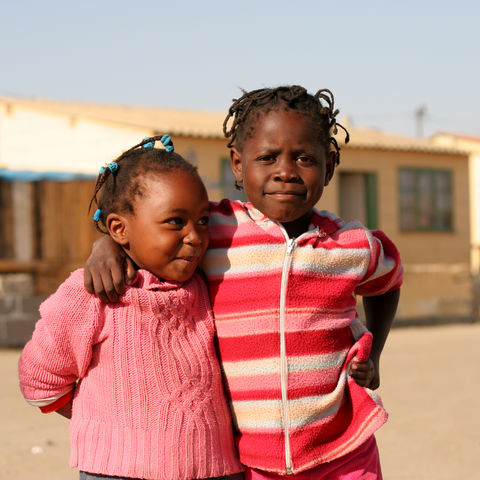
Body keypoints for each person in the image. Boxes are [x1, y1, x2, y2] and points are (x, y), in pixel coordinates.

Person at [84, 86, 403, 479]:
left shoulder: (353, 245)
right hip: (253, 462)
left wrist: (375, 352)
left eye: (304, 158)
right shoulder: (214, 229)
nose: (285, 170)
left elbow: (388, 282)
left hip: (344, 451)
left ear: (330, 165)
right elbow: (152, 230)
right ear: (237, 164)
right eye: (267, 158)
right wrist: (108, 246)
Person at [18, 136, 244, 480]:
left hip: (216, 470)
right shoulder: (94, 293)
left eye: (202, 221)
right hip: (119, 473)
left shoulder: (206, 281)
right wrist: (112, 425)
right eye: (175, 222)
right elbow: (40, 379)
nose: (196, 236)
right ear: (119, 228)